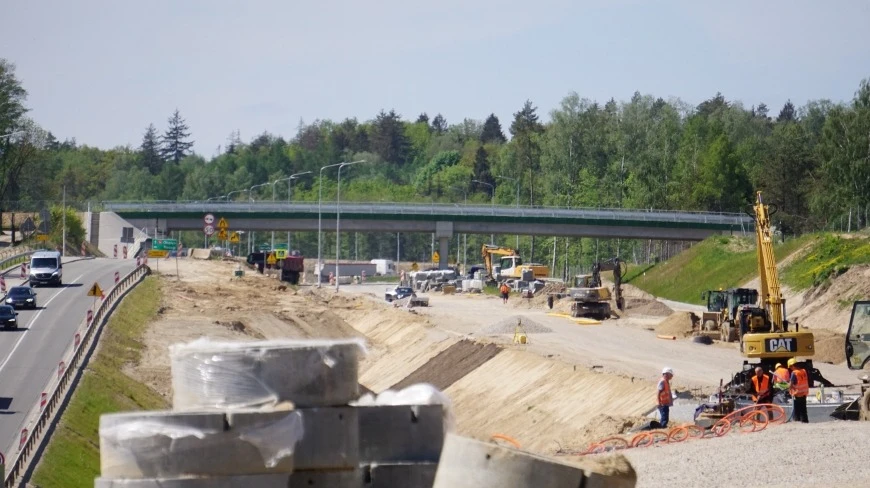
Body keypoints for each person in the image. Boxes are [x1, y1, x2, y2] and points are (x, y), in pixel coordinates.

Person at [788, 358, 809, 423]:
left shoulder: (794, 373)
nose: (790, 369)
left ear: (792, 366)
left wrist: (789, 389)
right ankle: (805, 421)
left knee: (796, 409)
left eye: (790, 367)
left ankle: (797, 420)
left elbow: (791, 384)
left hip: (797, 393)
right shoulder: (803, 371)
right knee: (803, 409)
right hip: (804, 393)